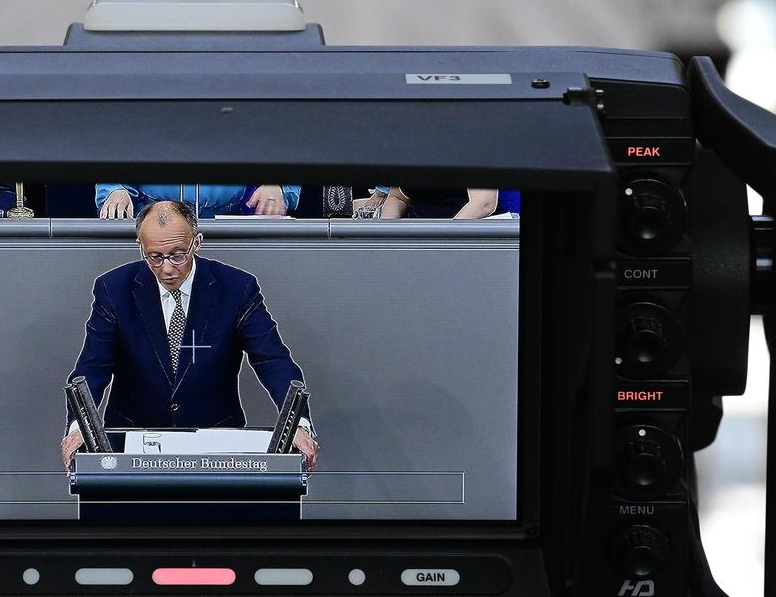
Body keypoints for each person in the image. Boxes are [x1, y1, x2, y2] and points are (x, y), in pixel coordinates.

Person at [61, 199, 318, 472]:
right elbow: (93, 366)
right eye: (155, 257)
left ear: (197, 243)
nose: (167, 268)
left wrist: (297, 424)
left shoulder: (237, 288)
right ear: (140, 246)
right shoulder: (113, 289)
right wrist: (79, 428)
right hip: (133, 441)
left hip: (216, 443)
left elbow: (272, 359)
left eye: (178, 255)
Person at [96, 183, 299, 219]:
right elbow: (116, 143)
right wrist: (116, 189)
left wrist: (277, 184)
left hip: (232, 237)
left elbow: (282, 140)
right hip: (157, 234)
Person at [352, 186, 498, 219]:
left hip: (463, 239)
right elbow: (398, 197)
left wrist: (445, 241)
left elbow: (485, 203)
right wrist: (387, 235)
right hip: (415, 239)